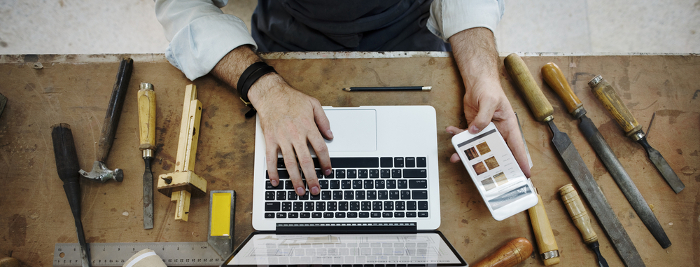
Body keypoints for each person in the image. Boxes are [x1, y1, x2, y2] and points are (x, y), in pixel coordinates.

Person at [155, 0, 530, 199]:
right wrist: (262, 85)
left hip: (406, 30)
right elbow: (183, 4)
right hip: (290, 38)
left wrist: (481, 73)